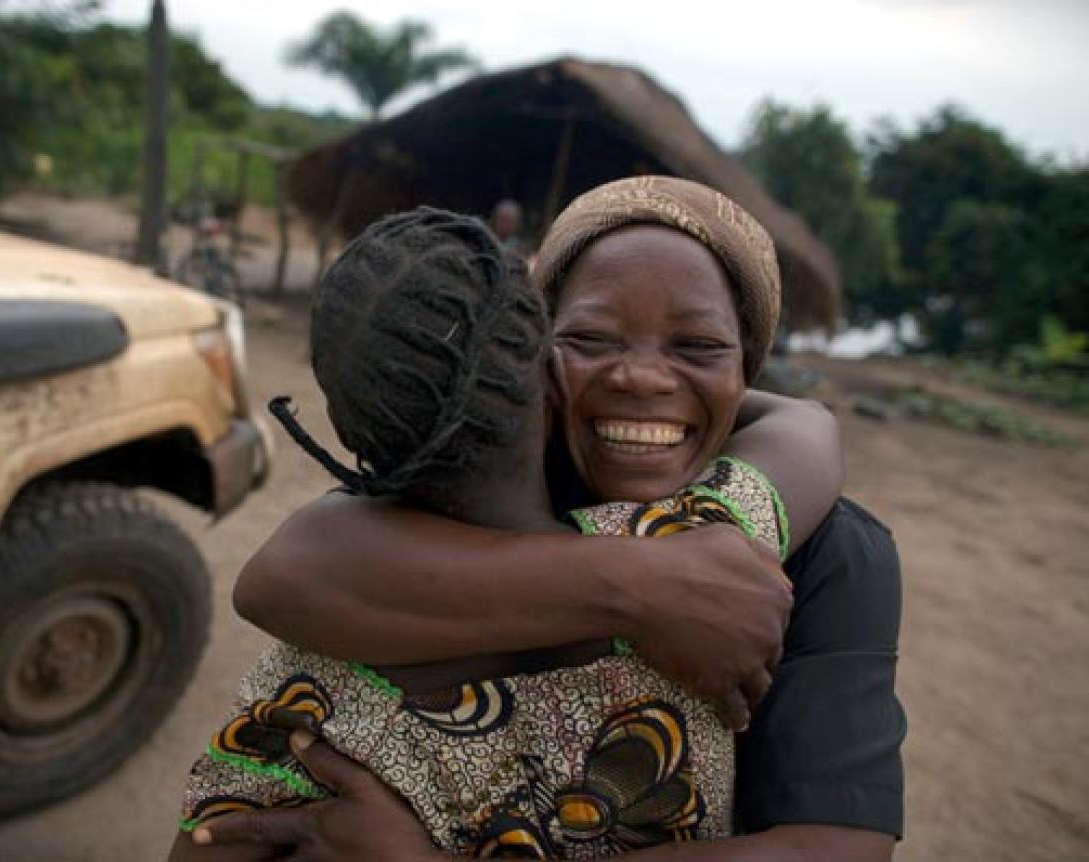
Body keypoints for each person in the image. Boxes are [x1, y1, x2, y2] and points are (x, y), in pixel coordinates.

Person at [219, 177, 905, 861]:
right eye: (591, 338)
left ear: (747, 364)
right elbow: (283, 574)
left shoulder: (831, 548)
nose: (641, 378)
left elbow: (836, 849)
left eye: (699, 347)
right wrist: (645, 587)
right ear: (536, 357)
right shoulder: (485, 484)